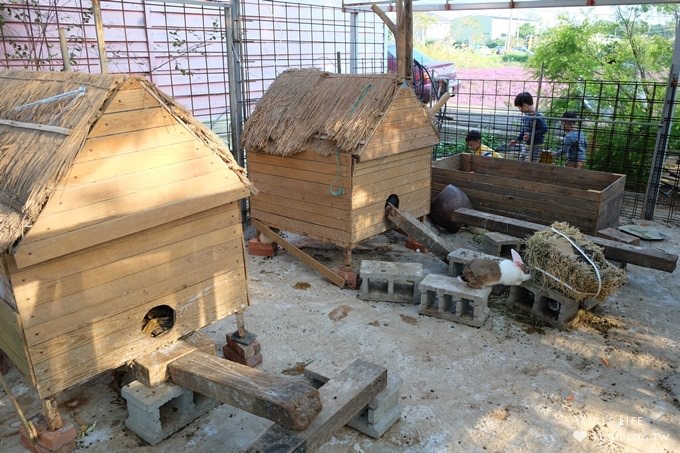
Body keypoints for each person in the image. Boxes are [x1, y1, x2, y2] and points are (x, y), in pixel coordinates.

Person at [509, 92, 548, 162]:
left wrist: (531, 135)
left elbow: (544, 129)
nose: (520, 110)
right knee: (521, 160)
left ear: (525, 105)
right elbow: (523, 130)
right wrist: (517, 140)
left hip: (536, 146)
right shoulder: (526, 116)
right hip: (526, 145)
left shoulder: (538, 116)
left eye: (519, 107)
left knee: (529, 163)